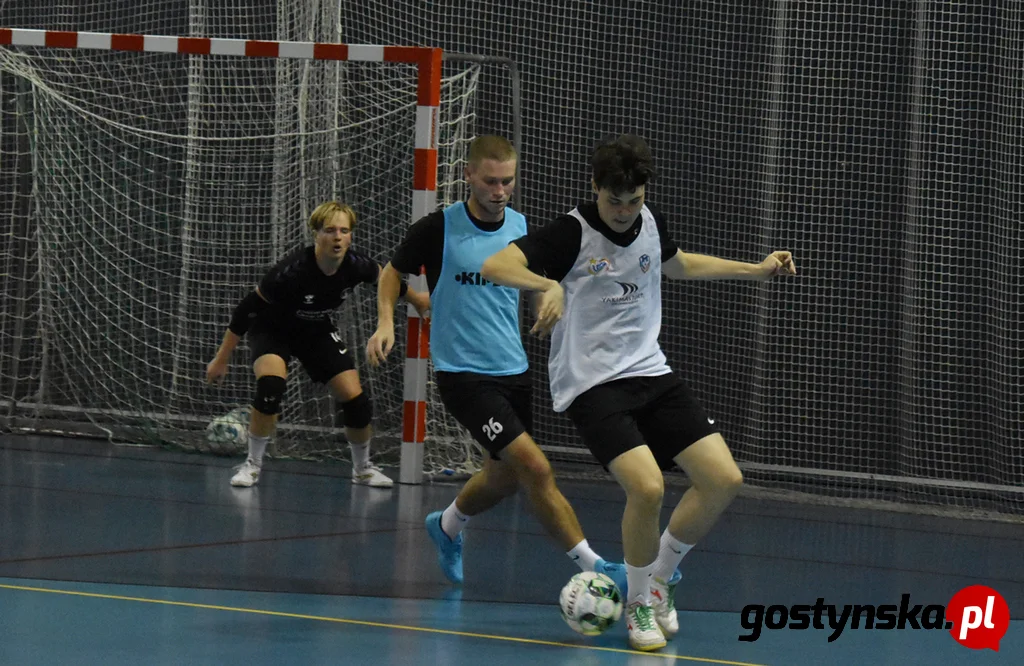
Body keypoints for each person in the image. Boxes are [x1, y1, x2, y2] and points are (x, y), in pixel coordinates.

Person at [480, 134, 796, 651]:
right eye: (614, 200)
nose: (625, 211)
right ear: (595, 188)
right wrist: (548, 285)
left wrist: (755, 268)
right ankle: (636, 608)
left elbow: (679, 263)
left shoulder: (650, 222)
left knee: (723, 478)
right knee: (647, 488)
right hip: (592, 384)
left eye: (634, 200)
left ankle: (658, 581)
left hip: (650, 372)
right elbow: (496, 266)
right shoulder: (570, 233)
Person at [366, 135, 622, 587]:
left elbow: (545, 279)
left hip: (513, 370)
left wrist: (552, 293)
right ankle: (596, 569)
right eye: (489, 181)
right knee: (536, 467)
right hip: (462, 375)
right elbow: (392, 271)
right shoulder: (438, 228)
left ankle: (446, 525)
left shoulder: (521, 228)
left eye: (507, 181)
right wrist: (387, 321)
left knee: (502, 478)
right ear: (468, 176)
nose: (499, 191)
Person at [206, 201, 430, 489]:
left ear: (350, 236)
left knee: (356, 401)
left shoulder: (356, 265)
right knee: (271, 386)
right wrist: (221, 359)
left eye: (344, 231)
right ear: (317, 235)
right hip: (273, 329)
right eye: (330, 230)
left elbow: (387, 279)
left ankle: (362, 468)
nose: (337, 237)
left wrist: (419, 301)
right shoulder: (291, 271)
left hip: (315, 329)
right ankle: (252, 464)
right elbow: (245, 312)